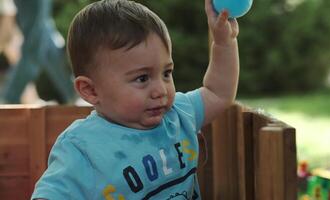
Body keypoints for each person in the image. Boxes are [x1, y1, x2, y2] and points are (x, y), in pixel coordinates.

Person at [31, 0, 239, 199]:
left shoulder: (178, 113)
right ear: (91, 90)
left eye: (166, 73)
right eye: (142, 78)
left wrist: (224, 43)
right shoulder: (81, 148)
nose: (160, 90)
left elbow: (217, 92)